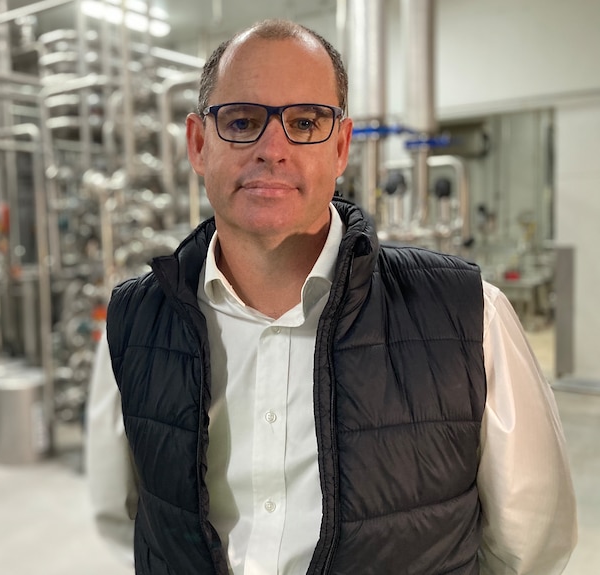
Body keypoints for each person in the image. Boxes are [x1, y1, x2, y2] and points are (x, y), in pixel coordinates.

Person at [86, 18, 577, 575]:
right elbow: (125, 519)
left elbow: (532, 542)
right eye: (242, 120)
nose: (273, 148)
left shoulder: (471, 317)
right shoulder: (133, 324)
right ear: (199, 144)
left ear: (341, 147)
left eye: (304, 121)